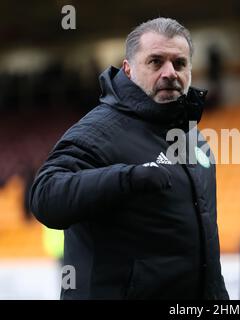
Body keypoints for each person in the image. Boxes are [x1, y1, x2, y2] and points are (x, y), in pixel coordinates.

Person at [29, 17, 229, 300]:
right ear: (128, 69)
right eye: (156, 62)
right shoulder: (98, 130)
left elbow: (205, 240)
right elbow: (45, 196)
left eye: (179, 63)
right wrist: (127, 179)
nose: (170, 72)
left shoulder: (192, 136)